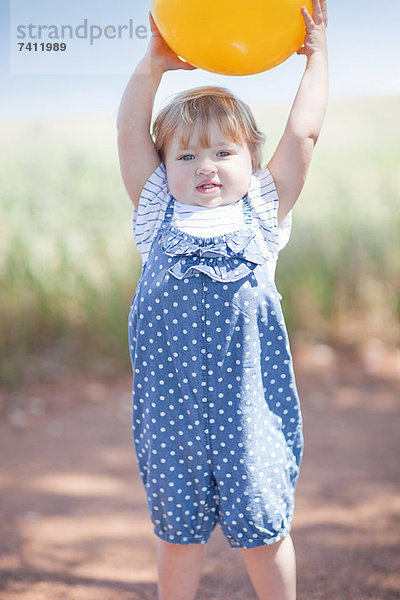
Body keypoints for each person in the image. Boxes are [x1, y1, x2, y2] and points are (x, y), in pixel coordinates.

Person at [117, 1, 328, 598]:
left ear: (252, 162)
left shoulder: (263, 214)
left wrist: (317, 58)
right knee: (178, 536)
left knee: (264, 530)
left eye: (223, 152)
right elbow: (127, 133)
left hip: (248, 415)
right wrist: (153, 65)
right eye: (185, 155)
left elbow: (304, 132)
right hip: (172, 415)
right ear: (164, 169)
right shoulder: (156, 215)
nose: (204, 165)